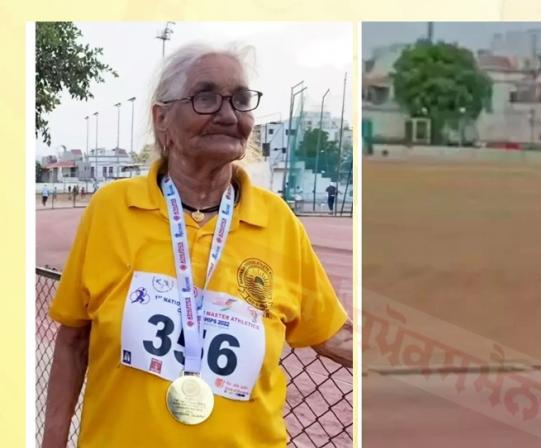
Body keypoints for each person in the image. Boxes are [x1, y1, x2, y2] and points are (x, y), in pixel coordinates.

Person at [43, 43, 353, 448]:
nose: (227, 115)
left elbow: (329, 331)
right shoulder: (112, 209)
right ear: (162, 119)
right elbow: (73, 340)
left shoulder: (277, 221)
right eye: (205, 97)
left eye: (240, 100)